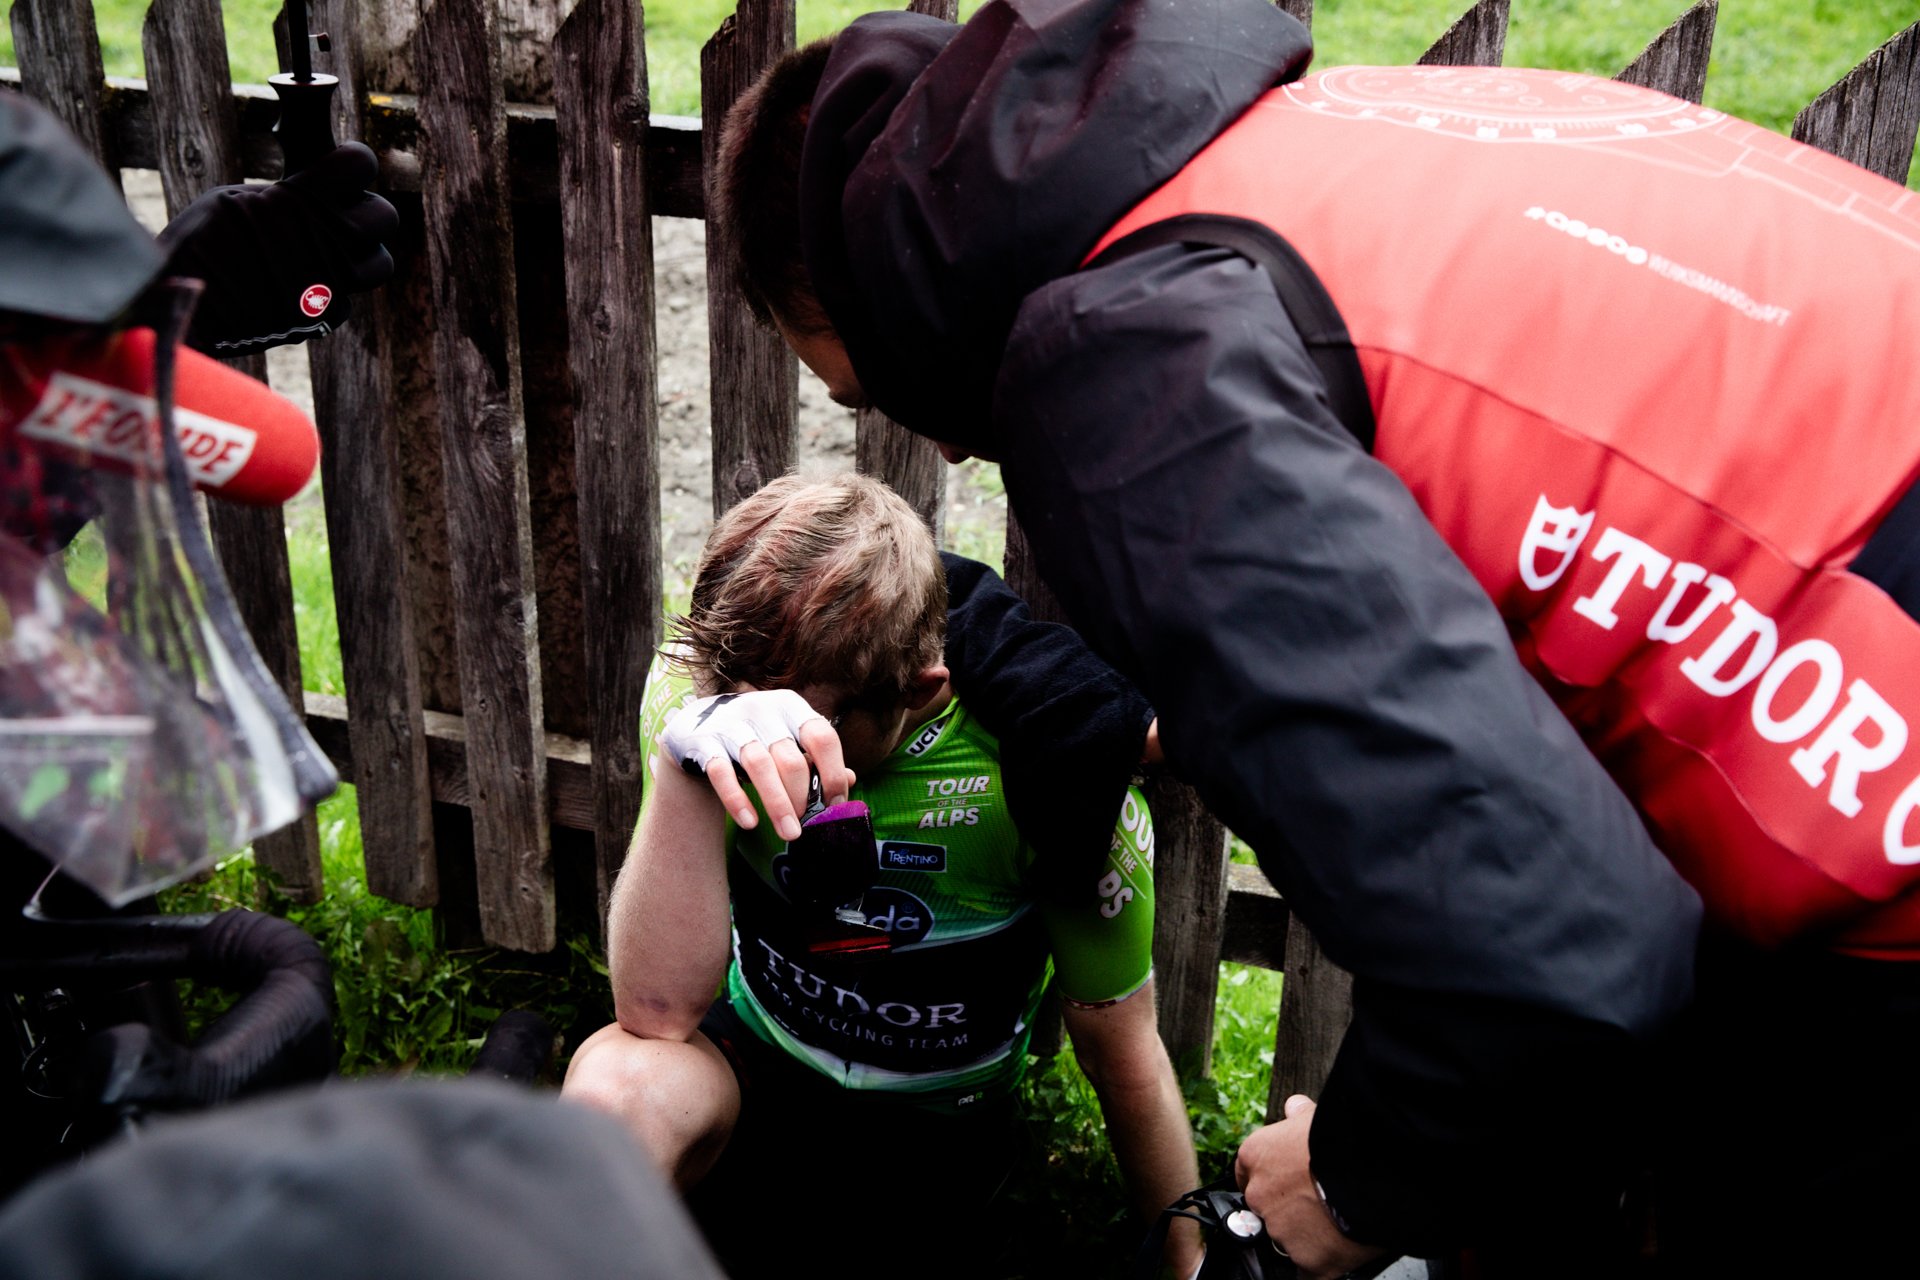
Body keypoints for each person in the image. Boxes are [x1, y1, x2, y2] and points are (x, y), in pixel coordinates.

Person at [710, 0, 1920, 1273]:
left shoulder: (1134, 357)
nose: (944, 441)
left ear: (883, 291)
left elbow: (1554, 965)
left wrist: (1346, 1184)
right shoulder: (1312, 144)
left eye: (871, 380)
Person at [562, 472, 1201, 1276]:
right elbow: (653, 1014)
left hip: (936, 1122)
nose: (767, 737)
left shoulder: (1031, 779)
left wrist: (1190, 1261)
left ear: (919, 689)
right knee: (614, 1091)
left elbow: (1122, 1048)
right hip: (754, 1060)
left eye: (804, 714)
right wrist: (688, 759)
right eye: (735, 697)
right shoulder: (700, 702)